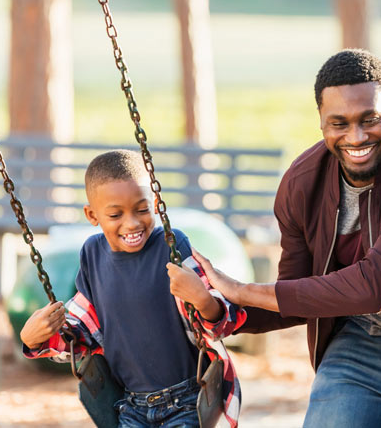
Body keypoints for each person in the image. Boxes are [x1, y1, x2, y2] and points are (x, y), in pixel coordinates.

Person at [194, 49, 381, 427]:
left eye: (369, 119)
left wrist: (240, 290)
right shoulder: (302, 183)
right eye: (338, 123)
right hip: (359, 345)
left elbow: (376, 284)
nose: (356, 137)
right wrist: (217, 306)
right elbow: (294, 293)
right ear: (321, 122)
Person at [18, 150, 246, 428]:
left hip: (186, 400)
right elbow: (83, 333)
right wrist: (35, 339)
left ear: (156, 201)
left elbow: (219, 323)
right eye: (115, 214)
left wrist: (201, 298)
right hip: (130, 406)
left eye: (142, 209)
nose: (132, 223)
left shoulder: (171, 246)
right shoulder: (92, 254)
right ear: (92, 215)